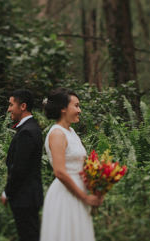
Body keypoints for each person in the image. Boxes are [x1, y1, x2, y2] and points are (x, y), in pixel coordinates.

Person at [40, 88, 101, 241]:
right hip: (66, 195)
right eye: (76, 106)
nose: (79, 110)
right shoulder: (57, 134)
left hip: (79, 192)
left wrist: (96, 187)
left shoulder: (71, 132)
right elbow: (59, 172)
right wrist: (84, 198)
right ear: (63, 108)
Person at [2, 89, 44, 241]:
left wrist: (7, 192)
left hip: (24, 197)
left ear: (23, 106)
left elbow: (20, 169)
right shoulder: (32, 128)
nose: (8, 109)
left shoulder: (27, 131)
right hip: (28, 196)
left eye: (11, 104)